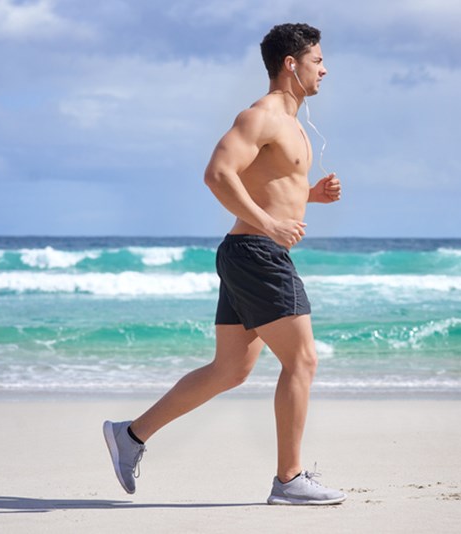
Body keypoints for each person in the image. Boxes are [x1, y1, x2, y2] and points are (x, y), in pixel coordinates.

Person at [103, 23, 346, 506]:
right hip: (258, 253)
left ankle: (130, 435)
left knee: (230, 369)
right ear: (291, 64)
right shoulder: (262, 116)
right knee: (302, 360)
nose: (325, 68)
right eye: (317, 60)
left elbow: (268, 187)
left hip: (247, 252)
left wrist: (309, 197)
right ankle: (289, 479)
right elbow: (217, 173)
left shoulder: (293, 123)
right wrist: (269, 225)